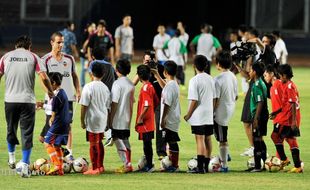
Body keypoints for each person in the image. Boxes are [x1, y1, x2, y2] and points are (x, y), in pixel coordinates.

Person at [0, 35, 54, 177]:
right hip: (27, 101)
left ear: (15, 46)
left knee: (11, 129)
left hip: (10, 100)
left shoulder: (6, 57)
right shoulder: (33, 57)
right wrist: (50, 92)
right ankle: (24, 165)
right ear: (29, 46)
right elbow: (44, 77)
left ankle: (12, 158)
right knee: (26, 133)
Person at [42, 31, 81, 161]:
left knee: (67, 125)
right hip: (52, 100)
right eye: (58, 42)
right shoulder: (45, 60)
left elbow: (74, 75)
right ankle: (55, 156)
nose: (61, 45)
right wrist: (49, 94)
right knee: (51, 126)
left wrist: (78, 90)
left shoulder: (69, 59)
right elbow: (42, 80)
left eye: (62, 42)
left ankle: (69, 154)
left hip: (68, 98)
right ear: (52, 43)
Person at [184, 55, 216, 173]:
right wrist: (211, 110)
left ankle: (200, 167)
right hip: (208, 114)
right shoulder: (211, 79)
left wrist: (188, 114)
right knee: (208, 139)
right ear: (206, 66)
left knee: (199, 139)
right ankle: (207, 166)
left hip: (198, 115)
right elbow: (214, 98)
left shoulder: (194, 80)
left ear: (193, 66)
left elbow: (194, 100)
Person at [133, 50, 167, 160]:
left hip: (158, 102)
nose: (148, 63)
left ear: (155, 60)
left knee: (159, 125)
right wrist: (143, 70)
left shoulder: (161, 68)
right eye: (146, 61)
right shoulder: (143, 69)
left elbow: (166, 86)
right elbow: (132, 83)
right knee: (145, 127)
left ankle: (161, 151)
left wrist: (155, 72)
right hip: (148, 103)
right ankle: (147, 152)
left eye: (150, 61)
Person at [80, 62, 110, 175]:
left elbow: (84, 105)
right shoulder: (105, 88)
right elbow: (108, 106)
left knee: (93, 144)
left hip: (92, 119)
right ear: (103, 74)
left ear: (91, 73)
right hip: (103, 118)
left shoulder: (88, 87)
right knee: (99, 143)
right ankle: (101, 166)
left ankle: (95, 168)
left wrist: (82, 121)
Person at [275, 64, 303, 173]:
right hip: (287, 116)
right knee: (282, 137)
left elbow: (292, 104)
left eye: (280, 76)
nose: (279, 78)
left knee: (290, 139)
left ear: (285, 76)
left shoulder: (290, 86)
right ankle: (292, 162)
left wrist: (294, 122)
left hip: (291, 118)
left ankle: (297, 166)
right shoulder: (288, 84)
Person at [214, 50, 238, 172]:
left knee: (222, 139)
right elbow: (236, 95)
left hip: (220, 113)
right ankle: (225, 154)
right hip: (230, 110)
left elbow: (216, 100)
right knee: (220, 136)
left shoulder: (217, 79)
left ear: (218, 63)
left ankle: (224, 165)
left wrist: (211, 112)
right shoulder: (233, 76)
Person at [109, 59, 135, 173]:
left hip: (118, 118)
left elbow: (114, 103)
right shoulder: (130, 84)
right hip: (127, 117)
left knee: (118, 140)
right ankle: (127, 163)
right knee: (125, 140)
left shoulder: (117, 84)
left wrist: (110, 118)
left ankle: (127, 164)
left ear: (117, 70)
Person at [88, 47, 116, 147]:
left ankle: (107, 135)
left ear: (93, 56)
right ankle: (110, 134)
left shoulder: (93, 64)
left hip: (98, 93)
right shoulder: (110, 66)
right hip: (110, 93)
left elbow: (92, 78)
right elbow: (115, 78)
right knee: (107, 114)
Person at [44, 72, 70, 175]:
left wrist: (52, 119)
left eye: (49, 84)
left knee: (47, 143)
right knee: (57, 145)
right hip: (65, 123)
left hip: (58, 123)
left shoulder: (57, 95)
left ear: (53, 83)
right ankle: (60, 169)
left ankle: (56, 165)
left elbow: (54, 111)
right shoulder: (63, 93)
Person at [135, 65, 159, 172]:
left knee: (147, 144)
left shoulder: (145, 88)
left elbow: (147, 104)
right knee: (147, 144)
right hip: (150, 120)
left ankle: (150, 165)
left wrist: (140, 117)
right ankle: (149, 165)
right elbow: (156, 102)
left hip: (145, 122)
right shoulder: (150, 86)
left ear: (139, 76)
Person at [159, 60, 181, 172]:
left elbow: (167, 104)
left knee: (172, 141)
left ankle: (175, 165)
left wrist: (163, 119)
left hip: (170, 119)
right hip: (173, 118)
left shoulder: (170, 86)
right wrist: (156, 74)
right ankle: (172, 163)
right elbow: (165, 86)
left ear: (165, 72)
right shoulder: (172, 84)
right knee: (170, 141)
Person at [248, 62, 268, 172]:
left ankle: (257, 166)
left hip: (259, 115)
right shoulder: (261, 82)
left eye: (251, 70)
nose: (249, 72)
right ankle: (265, 163)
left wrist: (256, 118)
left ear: (255, 72)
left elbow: (260, 102)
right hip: (262, 114)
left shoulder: (256, 85)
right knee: (259, 139)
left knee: (256, 140)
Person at [80, 22, 96, 88]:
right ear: (88, 28)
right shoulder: (85, 35)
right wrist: (85, 53)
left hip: (91, 57)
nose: (93, 28)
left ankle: (93, 84)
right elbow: (83, 47)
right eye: (91, 27)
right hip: (84, 56)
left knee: (92, 70)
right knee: (84, 70)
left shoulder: (95, 35)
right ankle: (83, 85)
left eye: (94, 27)